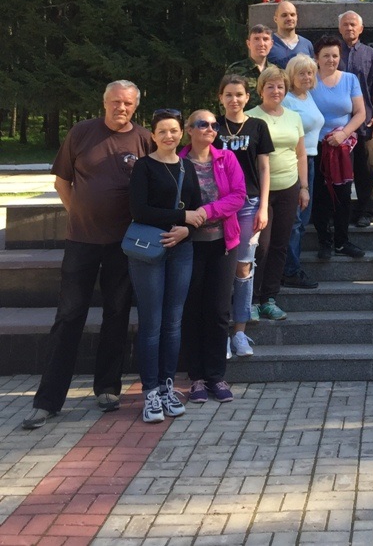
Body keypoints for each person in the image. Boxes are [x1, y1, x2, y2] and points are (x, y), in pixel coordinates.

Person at [22, 81, 155, 431]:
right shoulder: (81, 133)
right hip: (81, 240)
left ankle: (107, 388)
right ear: (104, 102)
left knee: (116, 312)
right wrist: (77, 213)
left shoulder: (144, 139)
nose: (120, 108)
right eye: (115, 102)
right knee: (69, 316)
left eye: (127, 103)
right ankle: (48, 400)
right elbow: (61, 181)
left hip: (123, 243)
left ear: (135, 107)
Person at [125, 109, 204, 423]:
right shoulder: (144, 167)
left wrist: (188, 229)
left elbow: (196, 210)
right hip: (148, 252)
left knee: (173, 322)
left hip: (182, 250)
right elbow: (140, 210)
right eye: (162, 132)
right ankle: (151, 393)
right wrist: (181, 218)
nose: (169, 136)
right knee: (152, 323)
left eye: (174, 131)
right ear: (153, 136)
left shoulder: (187, 166)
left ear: (180, 133)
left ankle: (168, 386)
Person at [179, 110, 246, 404]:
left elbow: (238, 196)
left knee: (218, 311)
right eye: (202, 124)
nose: (209, 129)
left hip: (222, 244)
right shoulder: (178, 162)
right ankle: (196, 378)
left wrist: (206, 212)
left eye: (213, 125)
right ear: (189, 130)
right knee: (192, 310)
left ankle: (217, 376)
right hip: (187, 245)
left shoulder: (226, 159)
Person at [214, 75, 274, 359]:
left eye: (239, 94)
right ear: (220, 98)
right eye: (228, 94)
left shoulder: (257, 126)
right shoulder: (212, 126)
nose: (234, 99)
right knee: (220, 270)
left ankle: (239, 332)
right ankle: (220, 334)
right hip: (218, 206)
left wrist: (263, 206)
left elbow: (264, 169)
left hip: (249, 205)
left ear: (247, 97)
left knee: (243, 268)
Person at [248, 66, 309, 319]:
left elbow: (301, 153)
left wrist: (304, 187)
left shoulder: (294, 117)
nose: (276, 90)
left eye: (281, 86)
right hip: (258, 191)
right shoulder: (250, 117)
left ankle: (269, 299)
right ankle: (249, 299)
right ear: (261, 89)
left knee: (280, 245)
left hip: (288, 187)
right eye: (270, 86)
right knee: (260, 246)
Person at [310, 35, 367, 260]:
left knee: (343, 194)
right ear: (316, 58)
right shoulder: (309, 80)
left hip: (343, 148)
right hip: (316, 146)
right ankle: (324, 241)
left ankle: (342, 241)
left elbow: (360, 112)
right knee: (321, 195)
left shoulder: (350, 79)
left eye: (335, 55)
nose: (331, 60)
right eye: (326, 56)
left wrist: (343, 134)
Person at [338, 10, 373, 228]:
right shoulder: (332, 54)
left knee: (365, 168)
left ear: (361, 29)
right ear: (339, 28)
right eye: (345, 25)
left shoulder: (370, 54)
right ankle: (340, 211)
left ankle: (365, 210)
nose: (349, 28)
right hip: (338, 123)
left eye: (353, 25)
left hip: (365, 122)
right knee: (339, 170)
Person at [282, 54, 325, 289]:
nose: (307, 77)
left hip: (310, 160)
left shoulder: (308, 96)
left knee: (301, 219)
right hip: (295, 162)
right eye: (301, 73)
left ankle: (291, 266)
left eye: (310, 72)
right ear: (291, 76)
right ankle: (290, 271)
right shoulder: (287, 101)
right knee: (295, 221)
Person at [227, 24, 274, 109]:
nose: (261, 44)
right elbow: (226, 99)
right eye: (256, 39)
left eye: (265, 39)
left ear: (271, 44)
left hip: (271, 120)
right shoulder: (236, 70)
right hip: (244, 120)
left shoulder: (276, 71)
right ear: (248, 44)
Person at [267, 0, 314, 69]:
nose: (289, 18)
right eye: (284, 15)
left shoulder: (307, 44)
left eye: (292, 15)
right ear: (275, 19)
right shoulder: (268, 44)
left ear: (297, 17)